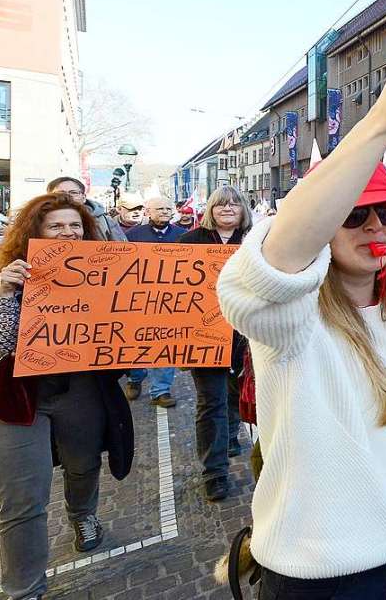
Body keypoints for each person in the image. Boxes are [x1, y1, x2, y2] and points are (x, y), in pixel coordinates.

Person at [218, 51, 386, 600]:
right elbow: (251, 283)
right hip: (322, 578)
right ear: (324, 226)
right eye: (353, 215)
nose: (374, 226)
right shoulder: (294, 319)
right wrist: (380, 122)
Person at [0, 193, 134, 600]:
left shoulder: (104, 273)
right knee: (22, 498)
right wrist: (5, 296)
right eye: (55, 225)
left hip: (81, 390)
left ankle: (83, 515)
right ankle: (25, 589)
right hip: (20, 400)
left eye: (74, 225)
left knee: (82, 465)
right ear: (34, 232)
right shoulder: (7, 275)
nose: (67, 232)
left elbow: (125, 333)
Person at [178, 185, 252, 501]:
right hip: (202, 333)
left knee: (236, 391)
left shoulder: (256, 240)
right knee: (211, 402)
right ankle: (215, 472)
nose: (227, 208)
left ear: (243, 209)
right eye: (220, 204)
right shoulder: (189, 242)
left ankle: (231, 436)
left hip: (245, 333)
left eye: (234, 203)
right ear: (211, 209)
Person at [122, 196, 188, 408]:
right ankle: (135, 378)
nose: (165, 212)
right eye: (159, 209)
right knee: (136, 342)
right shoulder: (132, 236)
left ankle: (161, 390)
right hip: (138, 300)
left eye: (168, 208)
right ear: (148, 212)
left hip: (170, 301)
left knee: (164, 344)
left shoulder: (183, 236)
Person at [47, 176, 126, 242]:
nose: (67, 196)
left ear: (84, 197)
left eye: (73, 192)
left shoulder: (105, 221)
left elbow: (124, 251)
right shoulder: (39, 220)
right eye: (60, 193)